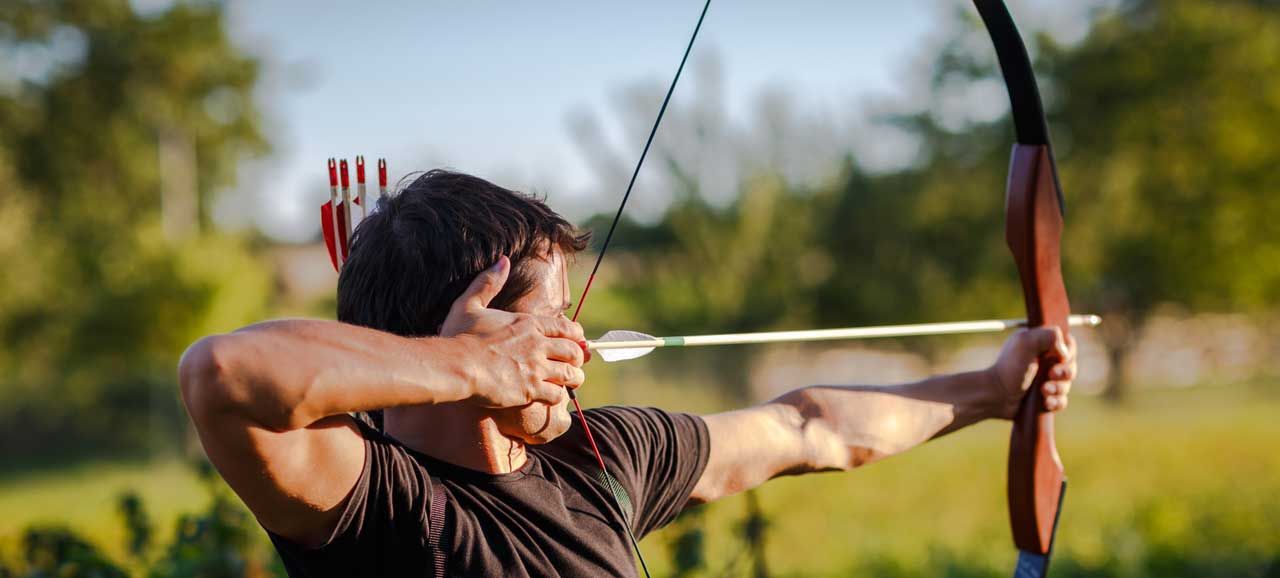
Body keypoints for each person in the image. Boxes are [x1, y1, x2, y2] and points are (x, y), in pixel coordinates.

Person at [179, 170, 1077, 578]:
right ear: (480, 331)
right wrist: (471, 368)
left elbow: (812, 427)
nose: (577, 340)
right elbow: (222, 372)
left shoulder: (599, 456)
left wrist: (996, 390)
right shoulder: (375, 501)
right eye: (554, 317)